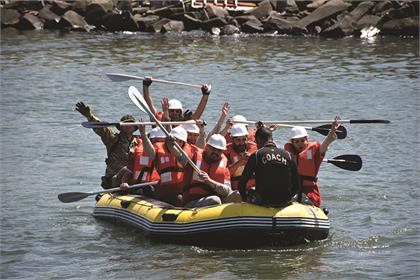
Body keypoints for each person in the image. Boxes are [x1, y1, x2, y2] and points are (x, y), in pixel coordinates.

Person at [75, 101, 138, 189]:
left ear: (135, 127)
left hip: (133, 177)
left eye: (131, 124)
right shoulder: (113, 138)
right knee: (122, 173)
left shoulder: (140, 140)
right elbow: (102, 128)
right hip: (115, 178)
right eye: (126, 124)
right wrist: (89, 115)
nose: (128, 126)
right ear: (121, 127)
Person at [284, 116, 341, 207]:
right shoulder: (288, 153)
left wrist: (332, 132)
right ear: (292, 143)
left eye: (302, 140)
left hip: (310, 194)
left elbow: (325, 145)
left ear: (307, 139)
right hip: (292, 191)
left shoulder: (314, 152)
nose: (300, 143)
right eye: (297, 141)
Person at [239, 126, 300, 207]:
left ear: (258, 140)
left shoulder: (256, 155)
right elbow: (297, 185)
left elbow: (242, 184)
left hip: (263, 202)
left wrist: (245, 199)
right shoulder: (289, 155)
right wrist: (287, 199)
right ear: (272, 138)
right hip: (284, 202)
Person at [140, 125, 197, 206]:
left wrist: (173, 148)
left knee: (180, 199)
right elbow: (149, 152)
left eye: (180, 141)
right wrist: (143, 135)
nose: (178, 143)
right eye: (176, 140)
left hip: (182, 191)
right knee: (177, 199)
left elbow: (185, 162)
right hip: (164, 192)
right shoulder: (159, 151)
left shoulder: (186, 153)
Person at [182, 134, 240, 208]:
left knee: (237, 195)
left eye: (219, 150)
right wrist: (171, 144)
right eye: (213, 149)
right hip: (193, 201)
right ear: (207, 147)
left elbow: (227, 191)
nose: (215, 152)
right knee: (215, 200)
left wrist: (209, 181)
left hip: (214, 201)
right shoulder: (194, 157)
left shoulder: (224, 166)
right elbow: (180, 157)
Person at [119, 126, 166, 193]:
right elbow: (129, 171)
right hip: (138, 186)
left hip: (158, 187)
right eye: (157, 141)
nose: (159, 144)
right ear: (151, 141)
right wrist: (124, 183)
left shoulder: (171, 154)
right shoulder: (137, 150)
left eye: (162, 141)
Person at [142, 76, 211, 122]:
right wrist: (145, 85)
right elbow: (149, 104)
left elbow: (198, 114)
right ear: (167, 110)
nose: (175, 114)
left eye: (177, 111)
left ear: (181, 113)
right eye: (172, 111)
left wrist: (205, 94)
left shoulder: (184, 123)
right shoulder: (159, 119)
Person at [224, 124, 257, 190]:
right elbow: (225, 174)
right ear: (232, 140)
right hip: (236, 190)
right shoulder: (226, 152)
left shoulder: (255, 149)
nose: (241, 143)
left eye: (244, 139)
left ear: (247, 138)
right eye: (238, 140)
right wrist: (240, 162)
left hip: (254, 188)